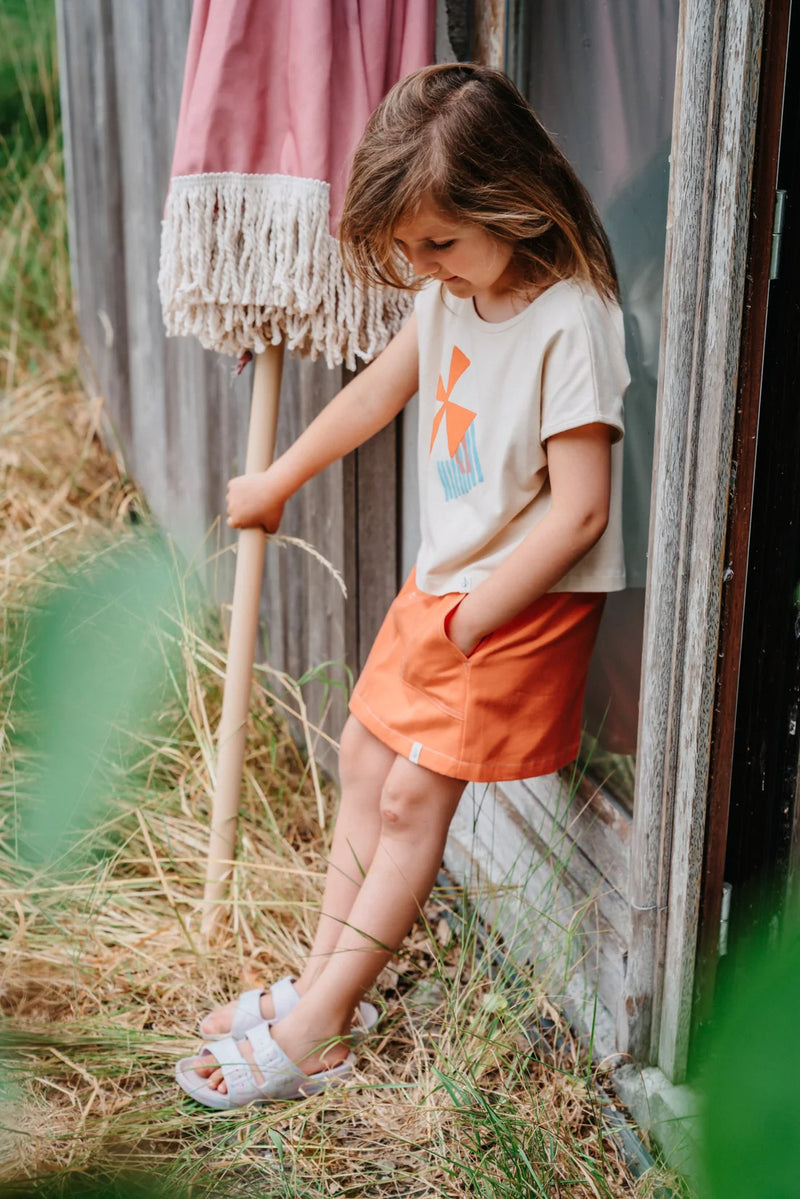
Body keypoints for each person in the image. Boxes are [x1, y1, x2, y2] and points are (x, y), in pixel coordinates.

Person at [175, 62, 629, 1109]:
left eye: (440, 243)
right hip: (448, 584)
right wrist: (279, 476)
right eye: (412, 249)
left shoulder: (572, 320)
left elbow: (581, 509)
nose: (423, 267)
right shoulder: (448, 291)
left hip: (515, 602)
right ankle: (323, 984)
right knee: (363, 751)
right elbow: (379, 391)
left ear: (511, 203)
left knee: (414, 791)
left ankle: (315, 1021)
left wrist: (475, 613)